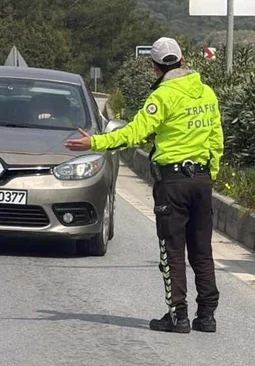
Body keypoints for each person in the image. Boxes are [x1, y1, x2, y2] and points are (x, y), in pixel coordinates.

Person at [65, 37, 224, 334]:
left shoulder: (161, 97)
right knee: (202, 249)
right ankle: (207, 316)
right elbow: (216, 139)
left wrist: (95, 142)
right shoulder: (207, 93)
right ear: (183, 60)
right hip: (202, 180)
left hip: (173, 182)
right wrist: (208, 173)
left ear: (155, 67)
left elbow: (134, 134)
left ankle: (178, 316)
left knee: (172, 249)